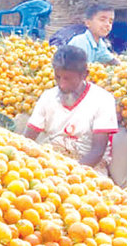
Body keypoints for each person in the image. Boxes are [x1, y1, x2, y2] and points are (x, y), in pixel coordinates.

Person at [24, 45, 118, 177]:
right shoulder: (48, 97)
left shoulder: (102, 100)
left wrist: (71, 175)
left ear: (84, 75)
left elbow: (97, 151)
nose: (62, 85)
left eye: (68, 79)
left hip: (89, 166)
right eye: (58, 77)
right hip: (53, 160)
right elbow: (27, 139)